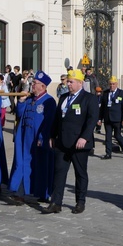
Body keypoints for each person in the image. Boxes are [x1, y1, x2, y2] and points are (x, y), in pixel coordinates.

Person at [44, 69, 98, 215]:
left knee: (80, 173)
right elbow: (56, 119)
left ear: (80, 83)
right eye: (68, 81)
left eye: (71, 82)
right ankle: (56, 202)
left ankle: (80, 202)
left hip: (79, 143)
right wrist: (52, 136)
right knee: (59, 173)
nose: (68, 84)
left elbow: (92, 120)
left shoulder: (89, 98)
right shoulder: (63, 98)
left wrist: (84, 137)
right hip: (62, 142)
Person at [8, 71, 56, 204]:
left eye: (35, 83)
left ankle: (42, 193)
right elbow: (19, 114)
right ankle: (20, 192)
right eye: (33, 83)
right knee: (22, 163)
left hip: (39, 138)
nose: (32, 85)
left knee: (40, 165)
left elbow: (49, 122)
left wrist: (43, 137)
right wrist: (21, 102)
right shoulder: (30, 99)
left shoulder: (49, 101)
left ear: (43, 86)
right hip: (25, 138)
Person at [98, 76, 123, 159]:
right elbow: (102, 107)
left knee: (117, 135)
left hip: (117, 118)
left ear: (116, 84)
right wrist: (100, 118)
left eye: (113, 84)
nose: (112, 86)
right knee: (108, 136)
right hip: (107, 118)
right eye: (110, 84)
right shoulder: (105, 93)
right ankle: (108, 153)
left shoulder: (122, 93)